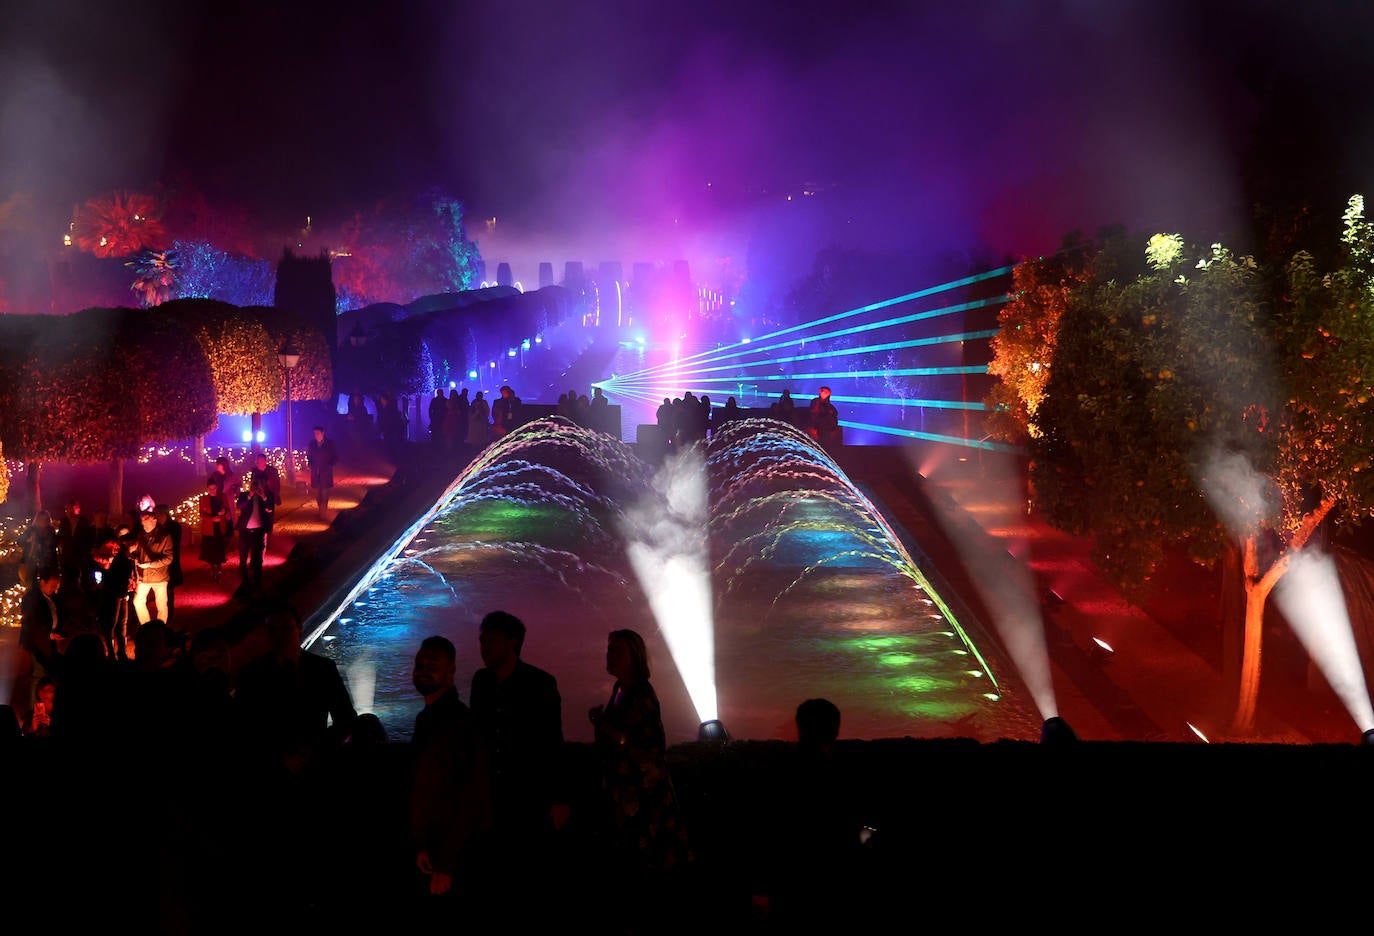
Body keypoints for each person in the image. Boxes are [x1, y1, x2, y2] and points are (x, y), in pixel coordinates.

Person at [469, 610, 564, 902]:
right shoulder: (481, 681)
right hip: (489, 800)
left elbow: (552, 743)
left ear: (512, 643)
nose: (483, 648)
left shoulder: (541, 684)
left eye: (490, 641)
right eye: (482, 641)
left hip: (526, 801)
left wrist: (559, 797)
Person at [588, 629, 692, 890]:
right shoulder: (621, 689)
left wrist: (601, 723)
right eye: (610, 649)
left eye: (618, 650)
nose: (610, 655)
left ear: (635, 656)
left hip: (643, 796)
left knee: (644, 862)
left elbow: (638, 743)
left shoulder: (640, 694)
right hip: (628, 793)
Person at [409, 636, 491, 914]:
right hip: (436, 850)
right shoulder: (432, 718)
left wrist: (446, 863)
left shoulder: (455, 723)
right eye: (419, 663)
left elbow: (466, 795)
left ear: (451, 670)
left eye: (432, 663)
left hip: (451, 857)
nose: (422, 669)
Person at [234, 602, 358, 773]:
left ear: (299, 627)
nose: (279, 636)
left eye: (285, 628)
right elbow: (243, 726)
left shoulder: (324, 668)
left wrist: (315, 750)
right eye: (273, 630)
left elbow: (346, 717)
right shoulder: (251, 675)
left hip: (317, 763)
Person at [131, 509, 173, 628]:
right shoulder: (141, 535)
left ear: (154, 520)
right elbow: (137, 552)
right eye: (142, 521)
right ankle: (147, 627)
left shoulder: (164, 536)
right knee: (138, 601)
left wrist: (150, 564)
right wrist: (133, 554)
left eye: (146, 521)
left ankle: (160, 629)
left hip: (160, 577)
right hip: (144, 576)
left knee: (161, 604)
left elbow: (169, 558)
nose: (144, 524)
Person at [235, 476, 275, 598]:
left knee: (258, 561)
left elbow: (270, 509)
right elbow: (240, 506)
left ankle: (258, 585)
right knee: (242, 561)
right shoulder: (244, 495)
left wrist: (263, 496)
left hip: (259, 532)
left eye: (258, 485)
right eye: (254, 485)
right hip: (245, 532)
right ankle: (245, 584)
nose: (257, 487)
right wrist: (250, 495)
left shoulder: (266, 496)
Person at [154, 504, 184, 630]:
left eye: (157, 514)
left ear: (163, 514)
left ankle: (169, 616)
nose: (155, 517)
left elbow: (173, 543)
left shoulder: (174, 527)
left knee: (169, 589)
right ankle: (166, 615)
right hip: (163, 562)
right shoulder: (160, 527)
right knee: (165, 590)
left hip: (171, 561)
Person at [199, 480, 230, 584]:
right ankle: (212, 567)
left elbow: (227, 509)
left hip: (219, 527)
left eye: (214, 488)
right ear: (207, 489)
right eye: (211, 489)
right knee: (210, 549)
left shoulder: (222, 497)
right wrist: (211, 519)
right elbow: (202, 514)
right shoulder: (203, 499)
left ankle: (219, 566)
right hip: (209, 529)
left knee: (219, 547)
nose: (213, 491)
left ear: (217, 488)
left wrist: (224, 511)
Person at [306, 424, 339, 514]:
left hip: (326, 472)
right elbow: (309, 456)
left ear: (323, 433)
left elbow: (335, 456)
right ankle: (320, 507)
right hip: (315, 472)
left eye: (318, 433)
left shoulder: (329, 444)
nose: (316, 435)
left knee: (325, 492)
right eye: (315, 433)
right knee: (317, 493)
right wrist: (310, 463)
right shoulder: (312, 444)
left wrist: (330, 464)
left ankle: (323, 510)